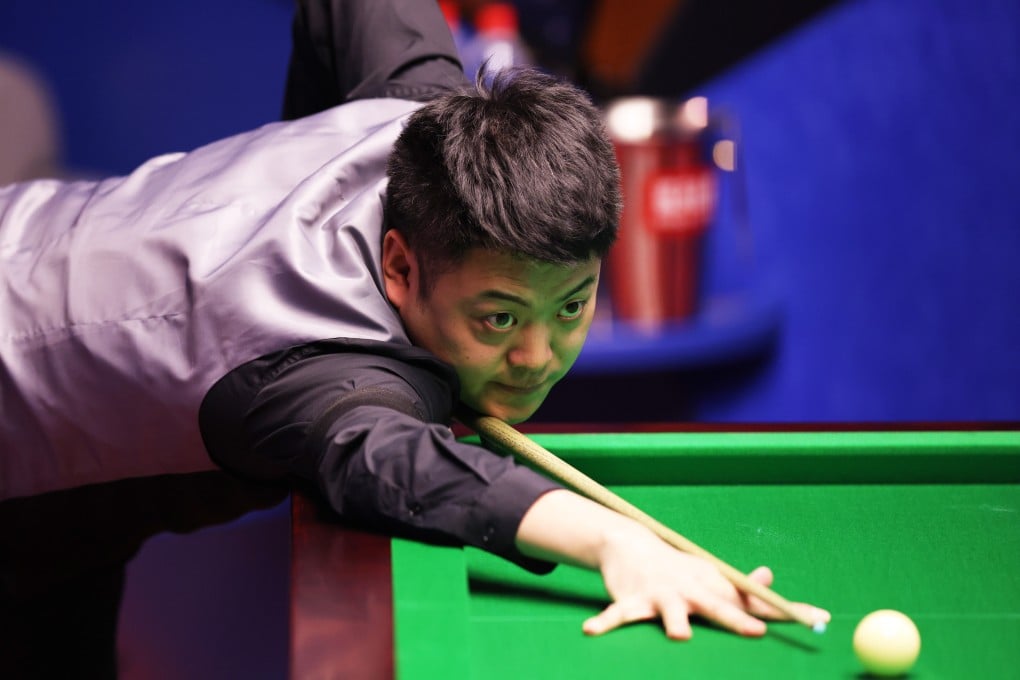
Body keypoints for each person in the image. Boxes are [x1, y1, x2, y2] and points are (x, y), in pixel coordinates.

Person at [0, 0, 828, 642]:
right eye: (499, 318)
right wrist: (617, 543)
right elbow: (402, 469)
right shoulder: (311, 374)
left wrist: (308, 135)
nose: (538, 356)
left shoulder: (429, 117)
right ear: (398, 267)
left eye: (572, 306)